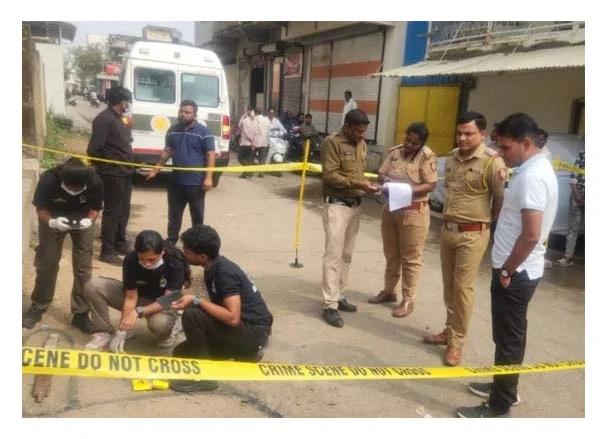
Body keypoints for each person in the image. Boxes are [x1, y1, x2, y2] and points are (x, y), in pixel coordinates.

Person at [457, 113, 559, 418]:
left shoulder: (531, 177)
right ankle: (504, 388)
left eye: (505, 147)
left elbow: (531, 234)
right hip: (519, 269)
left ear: (526, 143)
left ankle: (499, 406)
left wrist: (507, 270)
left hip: (516, 273)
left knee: (508, 340)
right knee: (508, 337)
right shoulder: (533, 168)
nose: (501, 154)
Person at [422, 111, 507, 366]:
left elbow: (500, 200)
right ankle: (449, 330)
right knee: (449, 286)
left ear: (482, 134)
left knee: (463, 289)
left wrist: (484, 224)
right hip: (448, 230)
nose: (462, 138)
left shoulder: (492, 162)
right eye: (459, 133)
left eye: (468, 133)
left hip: (473, 234)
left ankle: (456, 343)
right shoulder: (451, 159)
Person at [168, 225, 273, 392]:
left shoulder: (224, 273)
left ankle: (204, 377)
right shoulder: (213, 266)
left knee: (192, 315)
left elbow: (232, 318)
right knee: (181, 354)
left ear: (202, 257)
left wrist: (196, 300)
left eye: (187, 252)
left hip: (253, 331)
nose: (184, 254)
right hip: (245, 329)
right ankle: (245, 355)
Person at [22, 158, 103, 333]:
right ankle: (38, 305)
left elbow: (95, 208)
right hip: (53, 217)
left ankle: (81, 313)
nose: (74, 192)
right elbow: (41, 209)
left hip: (83, 219)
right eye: (71, 188)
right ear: (62, 179)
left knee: (83, 268)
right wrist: (52, 222)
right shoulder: (49, 179)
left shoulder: (94, 181)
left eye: (78, 190)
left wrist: (90, 220)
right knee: (47, 263)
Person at [368, 123, 437, 318]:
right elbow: (381, 173)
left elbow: (430, 185)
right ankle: (389, 291)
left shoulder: (427, 157)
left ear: (422, 143)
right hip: (391, 209)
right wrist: (386, 181)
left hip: (413, 212)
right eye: (407, 139)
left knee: (411, 259)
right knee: (391, 254)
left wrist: (405, 190)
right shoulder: (395, 152)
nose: (409, 145)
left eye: (414, 143)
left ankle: (408, 300)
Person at [320, 109, 380, 328]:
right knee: (333, 256)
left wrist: (367, 186)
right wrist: (359, 184)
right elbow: (330, 175)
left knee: (346, 255)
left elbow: (358, 173)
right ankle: (330, 305)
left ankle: (339, 294)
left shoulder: (361, 144)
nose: (362, 135)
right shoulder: (332, 143)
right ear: (347, 127)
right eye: (358, 131)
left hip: (355, 205)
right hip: (337, 205)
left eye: (364, 131)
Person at [83, 230, 190, 351]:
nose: (147, 264)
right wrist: (123, 330)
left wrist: (138, 312)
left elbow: (167, 300)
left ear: (162, 252)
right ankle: (103, 332)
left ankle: (169, 332)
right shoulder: (131, 260)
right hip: (139, 297)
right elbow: (130, 297)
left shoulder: (175, 262)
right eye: (142, 259)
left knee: (159, 325)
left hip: (163, 303)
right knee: (94, 286)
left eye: (152, 259)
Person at [145, 100, 216, 246]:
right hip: (176, 182)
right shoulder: (172, 130)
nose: (183, 114)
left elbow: (210, 155)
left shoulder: (204, 132)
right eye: (181, 111)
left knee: (197, 216)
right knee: (174, 216)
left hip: (195, 183)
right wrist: (156, 169)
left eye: (187, 112)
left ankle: (196, 244)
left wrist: (208, 178)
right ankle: (171, 242)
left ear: (194, 114)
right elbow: (167, 151)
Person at [87, 86, 135, 266]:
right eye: (127, 101)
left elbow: (123, 143)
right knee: (112, 212)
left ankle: (119, 242)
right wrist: (110, 166)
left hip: (125, 172)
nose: (128, 105)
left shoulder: (119, 119)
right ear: (122, 102)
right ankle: (107, 251)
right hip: (113, 174)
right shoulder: (104, 119)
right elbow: (94, 150)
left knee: (124, 210)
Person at [557, 148, 585, 266]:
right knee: (573, 227)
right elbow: (574, 175)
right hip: (577, 195)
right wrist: (576, 194)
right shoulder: (583, 153)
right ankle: (568, 257)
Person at [237, 106, 260, 180]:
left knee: (240, 158)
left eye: (245, 110)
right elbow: (257, 133)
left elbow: (245, 132)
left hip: (245, 143)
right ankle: (246, 174)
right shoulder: (256, 121)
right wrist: (254, 143)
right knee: (247, 159)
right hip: (252, 144)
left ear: (247, 111)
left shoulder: (245, 121)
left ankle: (248, 171)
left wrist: (251, 141)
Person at [254, 107, 271, 177]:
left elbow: (254, 130)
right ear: (261, 112)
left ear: (255, 112)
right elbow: (268, 131)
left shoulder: (255, 119)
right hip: (264, 142)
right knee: (262, 158)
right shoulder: (267, 120)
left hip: (256, 142)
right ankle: (261, 173)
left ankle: (250, 172)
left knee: (252, 157)